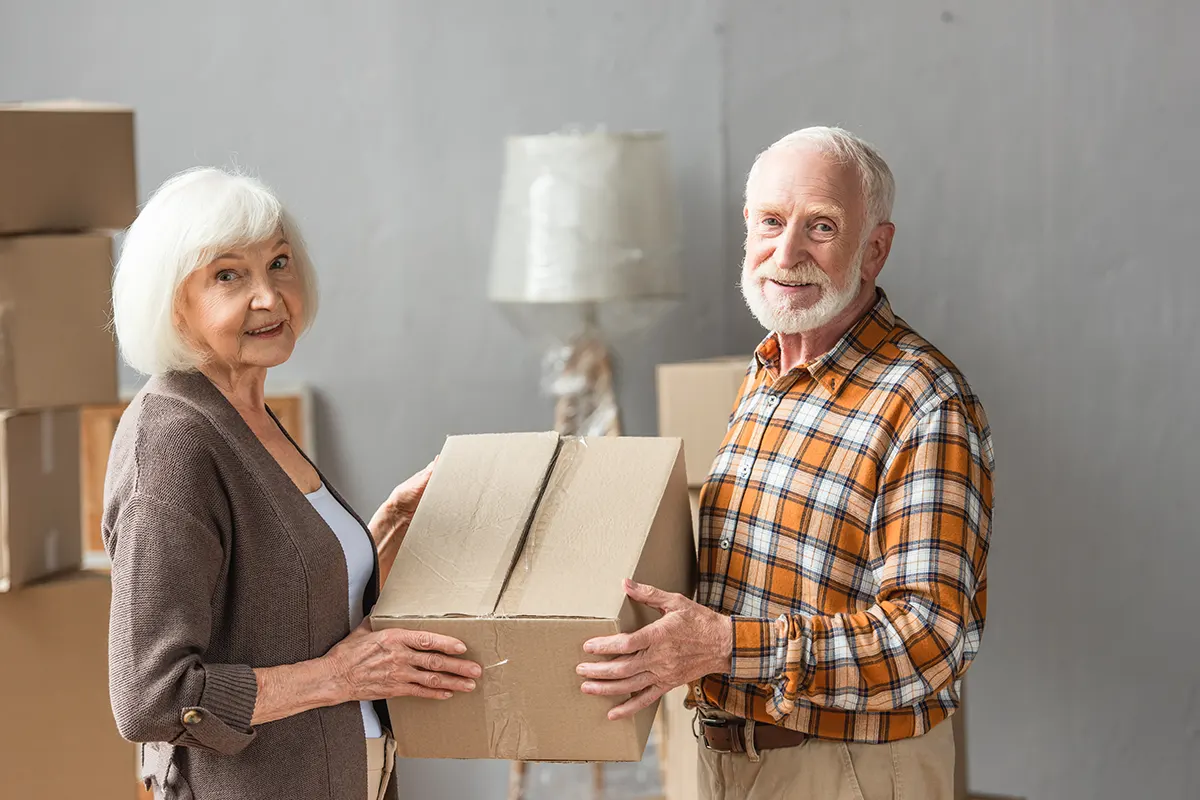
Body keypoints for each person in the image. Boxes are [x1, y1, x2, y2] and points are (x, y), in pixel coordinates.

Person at [577, 127, 994, 799]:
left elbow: (931, 639)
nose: (788, 251)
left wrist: (724, 647)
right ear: (748, 227)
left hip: (848, 771)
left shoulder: (923, 401)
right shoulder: (769, 371)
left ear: (875, 249)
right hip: (727, 760)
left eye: (822, 227)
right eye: (772, 221)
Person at [104, 167, 482, 800]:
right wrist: (337, 678)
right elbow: (150, 698)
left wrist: (384, 526)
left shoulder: (244, 408)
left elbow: (284, 598)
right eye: (228, 275)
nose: (269, 297)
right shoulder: (171, 444)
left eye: (278, 263)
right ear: (172, 302)